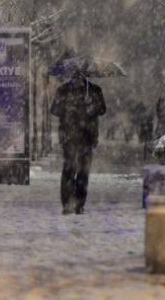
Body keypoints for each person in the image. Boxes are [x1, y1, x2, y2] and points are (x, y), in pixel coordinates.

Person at [50, 72, 106, 214]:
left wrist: (91, 106)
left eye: (81, 74)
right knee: (69, 169)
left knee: (83, 172)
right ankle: (67, 203)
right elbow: (54, 110)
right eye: (75, 74)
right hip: (69, 136)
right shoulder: (63, 90)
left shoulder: (94, 90)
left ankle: (79, 204)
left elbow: (102, 109)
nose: (78, 77)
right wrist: (69, 108)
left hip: (88, 136)